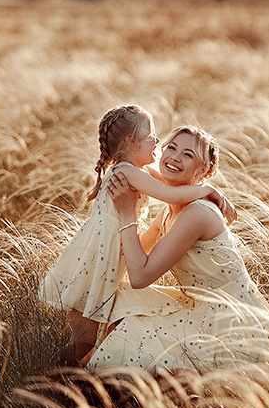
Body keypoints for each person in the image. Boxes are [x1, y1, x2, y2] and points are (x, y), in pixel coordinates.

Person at [38, 105, 235, 364]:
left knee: (87, 341)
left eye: (187, 154)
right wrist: (209, 189)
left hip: (104, 259)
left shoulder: (135, 171)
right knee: (85, 341)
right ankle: (49, 375)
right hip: (98, 261)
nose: (158, 141)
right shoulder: (127, 171)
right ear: (131, 142)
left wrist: (202, 190)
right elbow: (170, 193)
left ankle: (57, 375)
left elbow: (167, 186)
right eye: (151, 136)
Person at [84, 125, 269, 372]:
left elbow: (140, 276)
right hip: (196, 306)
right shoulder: (169, 212)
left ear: (203, 171)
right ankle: (83, 366)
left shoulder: (197, 213)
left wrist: (127, 211)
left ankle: (90, 380)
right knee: (120, 298)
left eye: (188, 155)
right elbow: (131, 259)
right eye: (171, 148)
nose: (175, 157)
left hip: (227, 322)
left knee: (134, 334)